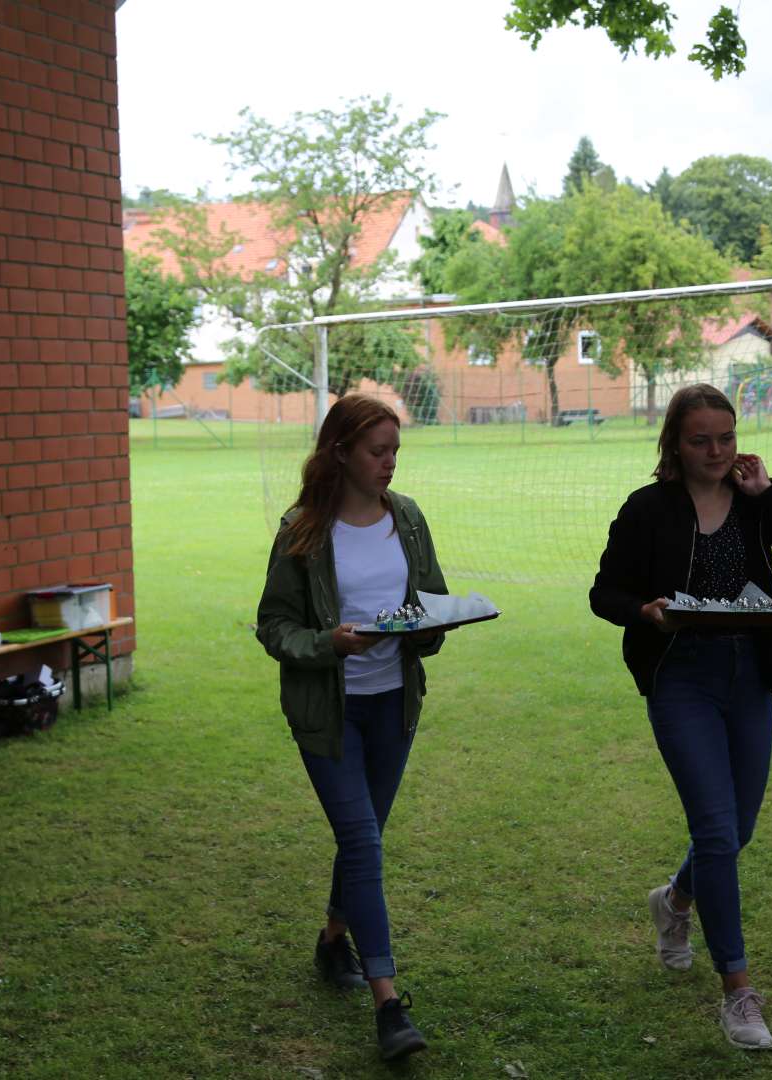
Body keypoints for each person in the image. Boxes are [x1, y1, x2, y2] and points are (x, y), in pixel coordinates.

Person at [589, 383, 772, 1051]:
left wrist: (771, 494)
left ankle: (674, 902)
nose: (716, 451)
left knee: (740, 826)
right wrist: (645, 610)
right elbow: (605, 591)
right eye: (701, 440)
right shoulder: (648, 509)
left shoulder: (756, 506)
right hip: (681, 678)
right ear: (674, 442)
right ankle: (738, 993)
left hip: (749, 676)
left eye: (725, 438)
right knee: (717, 831)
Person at [255, 393, 448, 1062]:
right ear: (341, 452)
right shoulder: (303, 529)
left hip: (394, 708)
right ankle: (388, 1004)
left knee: (362, 839)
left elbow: (430, 605)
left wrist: (431, 629)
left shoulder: (410, 519)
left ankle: (333, 938)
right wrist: (328, 645)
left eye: (396, 450)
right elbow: (274, 626)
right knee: (363, 843)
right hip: (328, 716)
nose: (390, 463)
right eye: (378, 452)